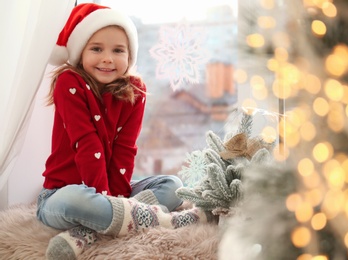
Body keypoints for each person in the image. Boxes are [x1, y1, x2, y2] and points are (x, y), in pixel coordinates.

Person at [36, 3, 215, 260]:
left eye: (118, 50)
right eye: (96, 49)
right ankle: (165, 221)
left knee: (173, 186)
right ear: (79, 53)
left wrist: (116, 198)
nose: (108, 58)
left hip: (112, 189)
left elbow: (124, 149)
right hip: (62, 194)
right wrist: (108, 200)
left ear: (129, 56)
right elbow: (88, 145)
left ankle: (89, 232)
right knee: (75, 200)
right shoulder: (69, 83)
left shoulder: (135, 90)